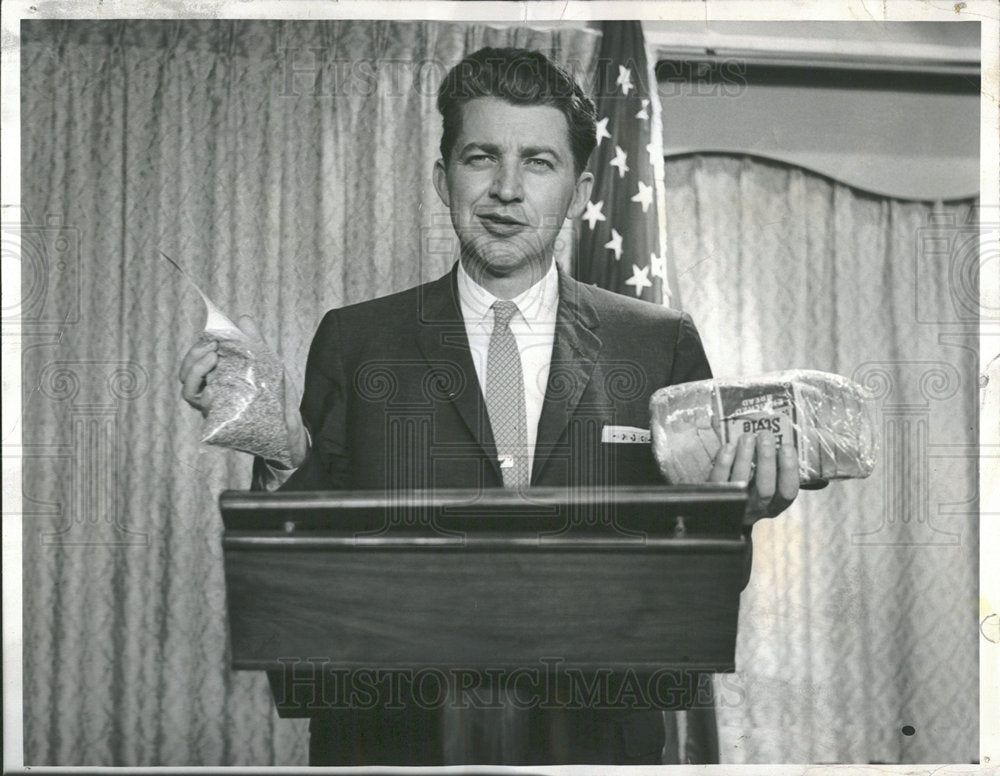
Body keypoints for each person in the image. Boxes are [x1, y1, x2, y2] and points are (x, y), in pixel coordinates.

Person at [179, 46, 799, 765]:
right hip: (393, 742)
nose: (507, 189)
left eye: (538, 162)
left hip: (597, 742)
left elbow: (694, 577)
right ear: (445, 178)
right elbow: (312, 571)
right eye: (482, 157)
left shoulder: (658, 345)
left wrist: (737, 514)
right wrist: (282, 444)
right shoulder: (355, 339)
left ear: (579, 186)